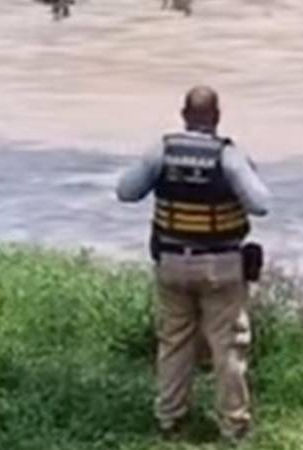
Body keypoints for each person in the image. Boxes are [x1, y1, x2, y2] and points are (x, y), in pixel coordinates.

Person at [116, 85, 271, 441]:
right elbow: (261, 204)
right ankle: (234, 425)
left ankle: (170, 418)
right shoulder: (228, 156)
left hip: (171, 263)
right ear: (216, 117)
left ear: (184, 115)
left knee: (173, 340)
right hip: (221, 267)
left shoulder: (162, 150)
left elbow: (125, 192)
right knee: (228, 346)